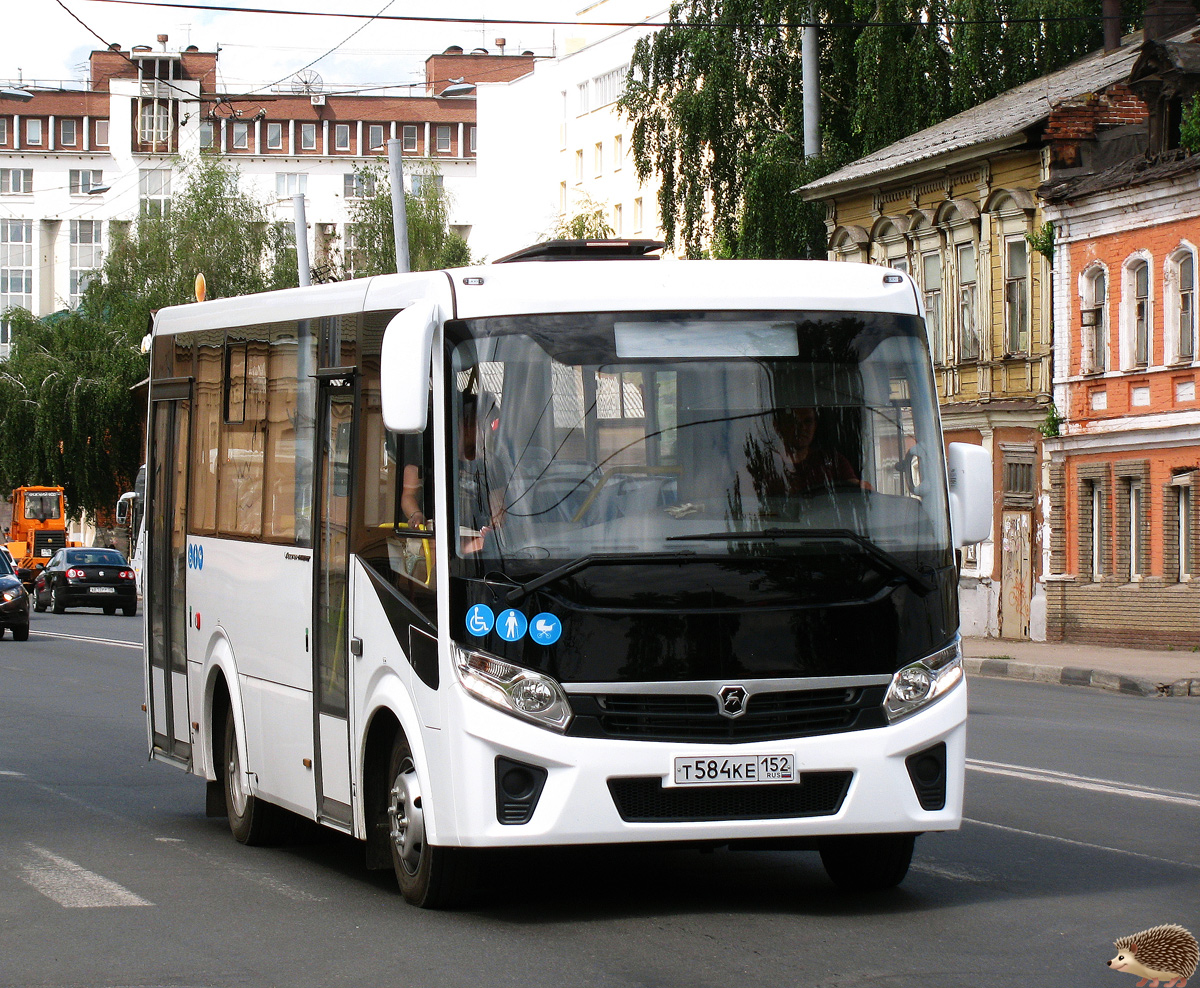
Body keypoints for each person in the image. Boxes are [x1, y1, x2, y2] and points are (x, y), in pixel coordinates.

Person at [771, 406, 863, 494]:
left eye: (808, 421)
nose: (802, 427)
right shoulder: (768, 464)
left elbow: (856, 493)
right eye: (793, 421)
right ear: (777, 426)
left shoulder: (834, 462)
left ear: (815, 425)